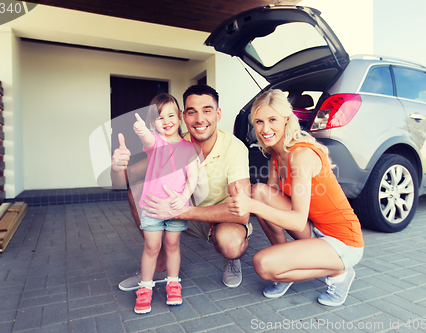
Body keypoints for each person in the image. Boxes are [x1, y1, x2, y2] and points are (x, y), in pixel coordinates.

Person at [226, 89, 364, 306]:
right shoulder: (276, 155)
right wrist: (251, 200)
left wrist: (251, 205)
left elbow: (297, 220)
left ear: (287, 120)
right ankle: (286, 264)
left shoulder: (301, 155)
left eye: (273, 120)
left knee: (263, 264)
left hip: (343, 240)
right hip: (315, 230)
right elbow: (268, 203)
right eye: (259, 122)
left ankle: (340, 272)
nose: (265, 129)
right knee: (259, 192)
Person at [111, 85, 252, 293]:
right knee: (137, 188)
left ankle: (231, 260)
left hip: (215, 217)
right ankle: (157, 261)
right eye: (192, 112)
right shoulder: (171, 142)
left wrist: (182, 211)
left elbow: (242, 212)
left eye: (207, 110)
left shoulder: (235, 148)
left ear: (218, 114)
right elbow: (124, 180)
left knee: (231, 244)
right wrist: (117, 167)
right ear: (183, 116)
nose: (199, 119)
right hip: (178, 213)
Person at [126, 93, 199, 314]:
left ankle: (173, 282)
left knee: (172, 245)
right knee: (152, 246)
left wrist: (183, 196)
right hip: (151, 206)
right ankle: (145, 288)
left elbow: (192, 178)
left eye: (170, 115)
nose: (166, 121)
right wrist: (142, 131)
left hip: (177, 208)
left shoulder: (189, 148)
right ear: (152, 123)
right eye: (159, 117)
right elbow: (148, 138)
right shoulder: (155, 143)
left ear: (179, 116)